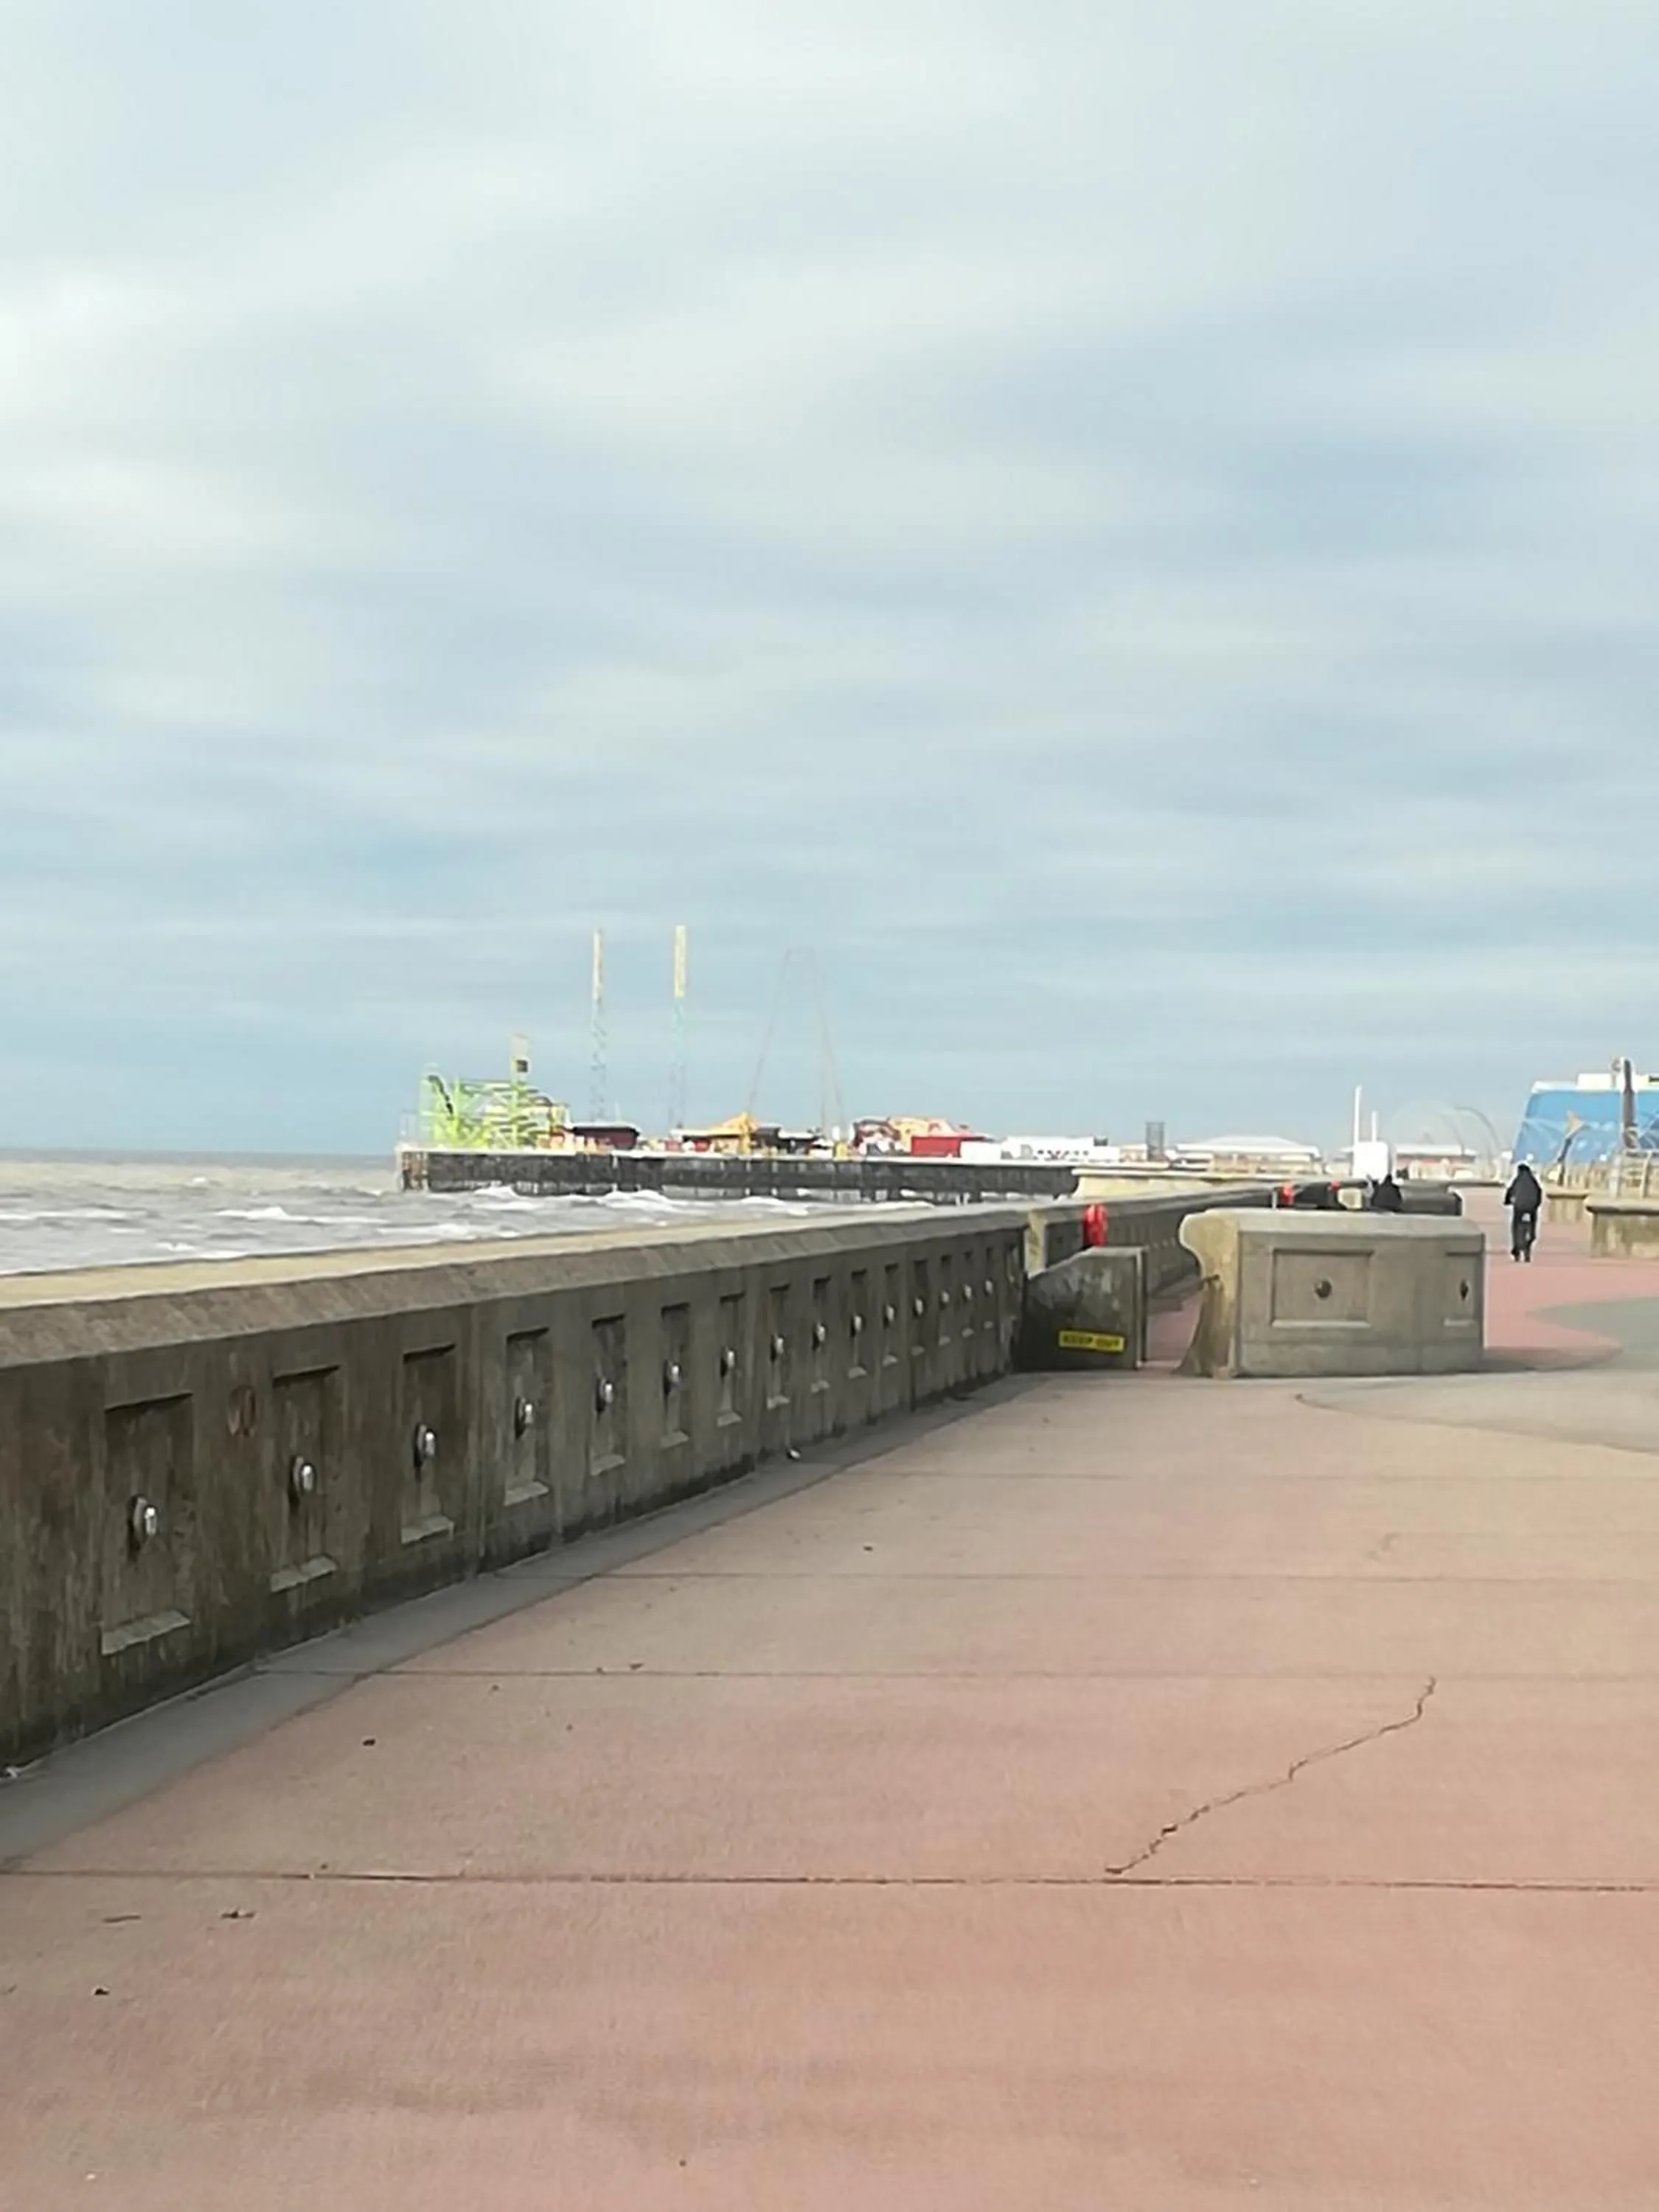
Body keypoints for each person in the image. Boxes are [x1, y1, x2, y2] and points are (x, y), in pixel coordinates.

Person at [1504, 1161, 1543, 1262]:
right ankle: (1530, 1240)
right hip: (1531, 1209)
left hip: (1519, 1208)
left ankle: (1516, 1246)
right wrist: (1536, 1205)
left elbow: (1510, 1191)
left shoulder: (1517, 1180)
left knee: (1516, 1226)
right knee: (1532, 1226)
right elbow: (1539, 1193)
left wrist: (1507, 1201)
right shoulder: (1533, 1181)